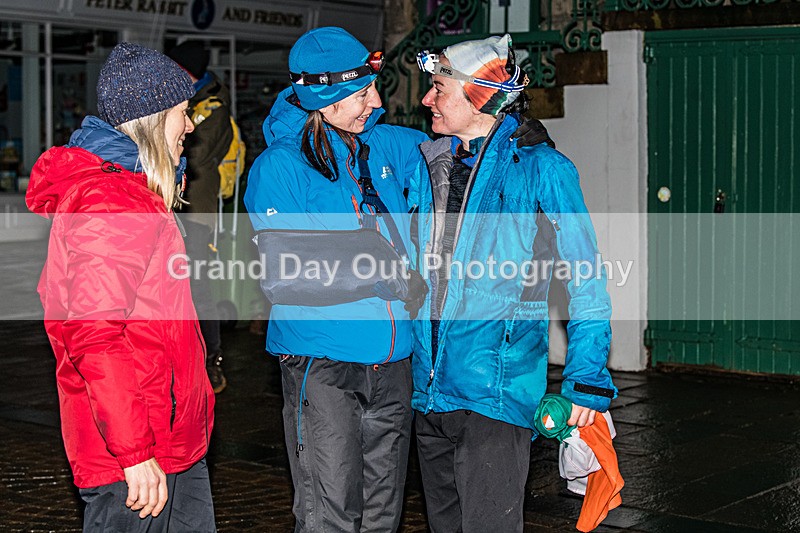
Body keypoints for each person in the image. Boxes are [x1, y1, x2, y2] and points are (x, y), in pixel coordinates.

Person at [408, 34, 617, 532]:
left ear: (479, 93)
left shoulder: (543, 170)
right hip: (428, 393)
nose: (426, 99)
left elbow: (587, 281)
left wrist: (587, 382)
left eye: (438, 87)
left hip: (495, 396)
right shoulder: (429, 163)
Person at [25, 42, 216, 532]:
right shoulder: (112, 200)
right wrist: (133, 452)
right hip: (136, 452)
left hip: (170, 441)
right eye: (182, 113)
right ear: (152, 121)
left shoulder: (131, 194)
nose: (190, 127)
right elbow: (94, 334)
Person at [244, 27, 428, 532]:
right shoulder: (279, 169)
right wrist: (378, 269)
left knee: (382, 513)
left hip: (393, 362)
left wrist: (502, 131)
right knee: (330, 513)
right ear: (324, 100)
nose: (377, 102)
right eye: (362, 92)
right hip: (324, 363)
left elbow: (458, 147)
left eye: (372, 86)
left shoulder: (386, 145)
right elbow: (286, 275)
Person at [167, 40, 231, 393]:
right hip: (177, 208)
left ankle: (213, 360)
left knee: (201, 287)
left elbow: (200, 152)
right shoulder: (184, 98)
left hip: (197, 212)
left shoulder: (211, 105)